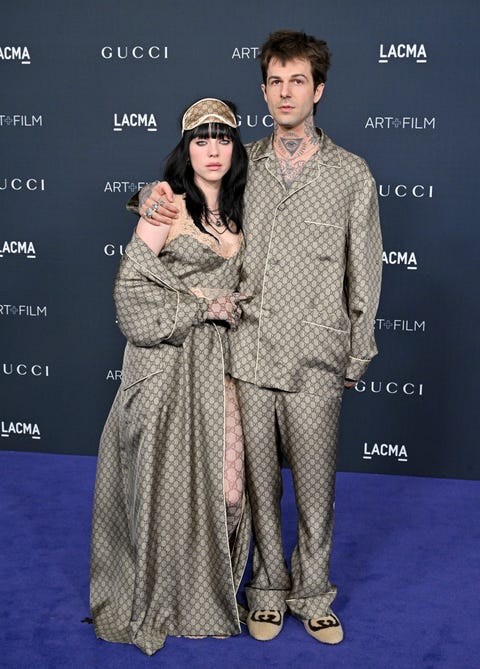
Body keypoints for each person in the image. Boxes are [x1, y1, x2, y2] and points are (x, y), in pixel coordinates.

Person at [132, 29, 382, 646]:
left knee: (316, 485)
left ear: (318, 90)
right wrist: (148, 198)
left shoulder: (352, 174)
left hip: (319, 355)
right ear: (264, 90)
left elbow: (367, 268)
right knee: (261, 489)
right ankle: (267, 589)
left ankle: (313, 592)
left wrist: (358, 348)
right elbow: (188, 192)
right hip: (247, 351)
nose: (286, 92)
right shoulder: (243, 162)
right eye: (276, 81)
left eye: (299, 80)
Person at [90, 98, 252, 656]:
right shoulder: (165, 204)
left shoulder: (243, 209)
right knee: (162, 490)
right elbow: (130, 295)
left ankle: (210, 590)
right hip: (164, 367)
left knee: (229, 494)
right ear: (186, 148)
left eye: (224, 139)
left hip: (223, 370)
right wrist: (202, 305)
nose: (213, 150)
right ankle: (166, 600)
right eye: (202, 140)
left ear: (236, 147)